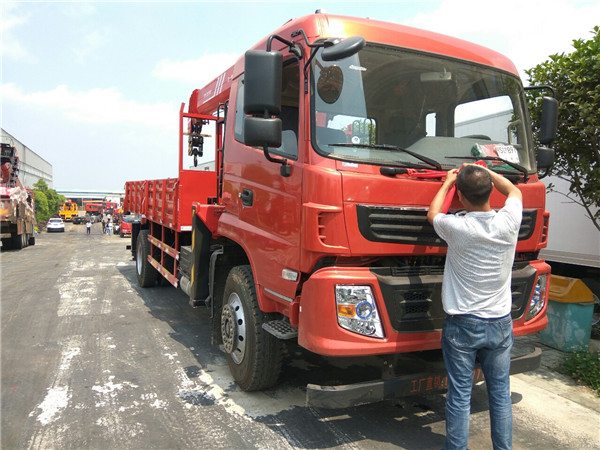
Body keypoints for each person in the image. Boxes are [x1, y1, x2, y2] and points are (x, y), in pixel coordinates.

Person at [427, 164, 523, 450]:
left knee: (459, 395)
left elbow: (432, 214)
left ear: (462, 198)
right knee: (500, 394)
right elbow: (514, 190)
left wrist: (447, 183)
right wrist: (485, 170)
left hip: (462, 326)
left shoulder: (458, 227)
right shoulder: (509, 221)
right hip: (500, 324)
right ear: (490, 191)